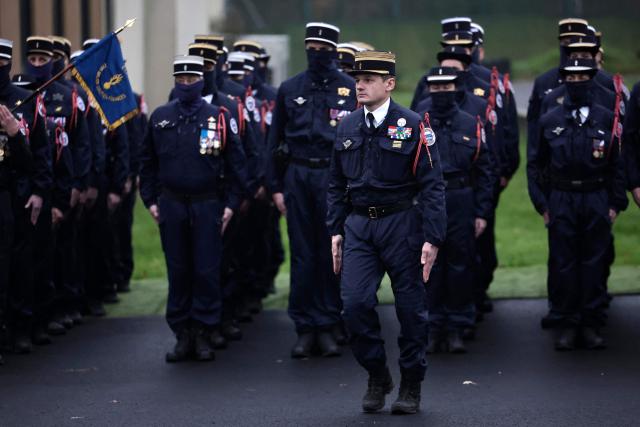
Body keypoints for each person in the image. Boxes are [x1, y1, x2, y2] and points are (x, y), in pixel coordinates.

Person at [327, 50, 446, 414]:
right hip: (359, 226)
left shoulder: (413, 125)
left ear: (389, 84)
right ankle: (378, 374)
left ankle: (411, 384)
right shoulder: (346, 125)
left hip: (401, 224)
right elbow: (334, 183)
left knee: (411, 311)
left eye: (368, 80)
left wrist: (433, 237)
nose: (359, 85)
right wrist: (335, 229)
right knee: (354, 304)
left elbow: (433, 185)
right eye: (357, 80)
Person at [139, 55, 248, 362]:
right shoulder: (161, 117)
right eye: (181, 80)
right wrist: (149, 200)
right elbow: (147, 162)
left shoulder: (219, 116)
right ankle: (181, 334)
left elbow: (237, 165)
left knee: (206, 270)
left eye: (192, 80)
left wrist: (230, 205)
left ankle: (203, 332)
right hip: (171, 205)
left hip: (207, 204)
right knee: (178, 270)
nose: (186, 85)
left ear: (202, 82)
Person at [267, 22, 356, 358]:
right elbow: (273, 141)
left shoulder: (349, 89)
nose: (315, 54)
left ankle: (330, 321)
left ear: (333, 51)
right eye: (311, 48)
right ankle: (306, 327)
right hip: (298, 176)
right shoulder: (290, 88)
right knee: (303, 254)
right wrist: (275, 187)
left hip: (334, 178)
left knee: (332, 253)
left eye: (322, 49)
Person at [527, 58, 627, 350]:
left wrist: (615, 202)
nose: (576, 83)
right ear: (563, 81)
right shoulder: (551, 119)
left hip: (596, 197)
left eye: (582, 78)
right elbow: (536, 164)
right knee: (564, 262)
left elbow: (617, 164)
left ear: (591, 79)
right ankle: (568, 323)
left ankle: (591, 323)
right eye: (570, 79)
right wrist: (542, 204)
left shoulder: (607, 118)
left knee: (594, 261)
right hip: (561, 198)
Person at [419, 67, 495, 353]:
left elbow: (485, 169)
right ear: (429, 90)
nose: (441, 93)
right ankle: (432, 324)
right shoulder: (417, 122)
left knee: (461, 264)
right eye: (436, 88)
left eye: (446, 87)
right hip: (429, 200)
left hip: (461, 198)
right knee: (429, 264)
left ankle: (457, 326)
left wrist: (481, 212)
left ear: (456, 89)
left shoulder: (470, 123)